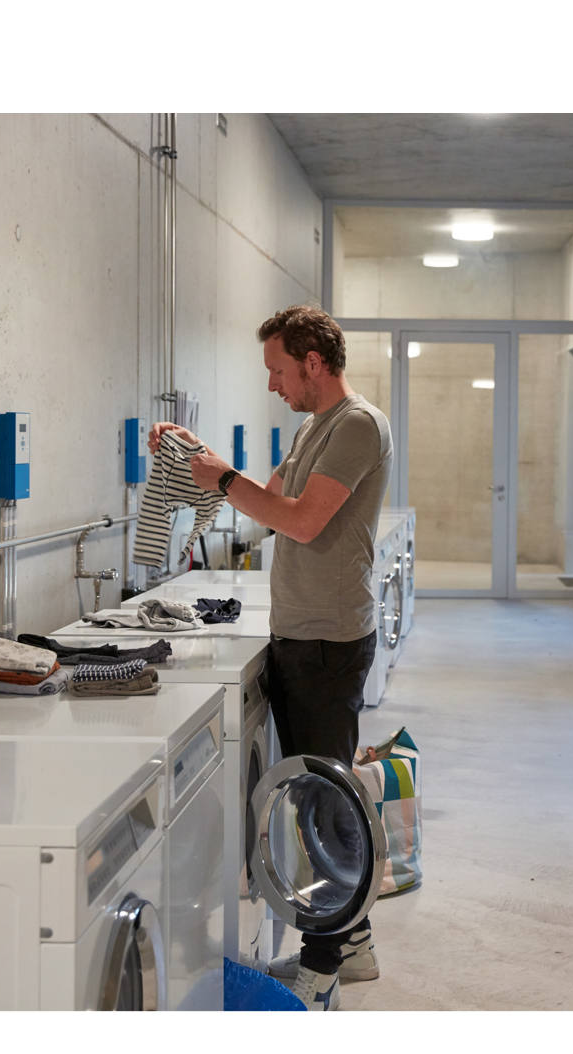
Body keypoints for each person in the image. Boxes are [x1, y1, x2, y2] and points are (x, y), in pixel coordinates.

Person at [148, 304, 391, 1012]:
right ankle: (352, 941)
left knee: (322, 801)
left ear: (313, 361)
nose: (273, 385)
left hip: (328, 642)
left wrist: (221, 479)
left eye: (278, 370)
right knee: (319, 794)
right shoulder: (315, 425)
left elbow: (301, 521)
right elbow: (270, 497)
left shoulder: (355, 424)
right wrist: (198, 455)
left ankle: (322, 969)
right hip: (301, 634)